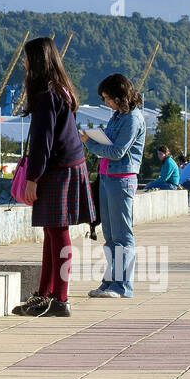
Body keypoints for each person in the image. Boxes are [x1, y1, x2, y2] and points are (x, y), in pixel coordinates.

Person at [10, 37, 95, 318]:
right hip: (69, 166)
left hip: (59, 170)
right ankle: (45, 294)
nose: (24, 64)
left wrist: (32, 177)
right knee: (52, 232)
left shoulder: (47, 95)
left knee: (57, 233)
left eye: (27, 59)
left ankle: (60, 297)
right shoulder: (61, 90)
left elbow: (42, 142)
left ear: (37, 62)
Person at [80, 73, 146, 299]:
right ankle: (110, 282)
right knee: (109, 234)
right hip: (107, 177)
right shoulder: (118, 116)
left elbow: (118, 151)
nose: (107, 103)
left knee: (122, 234)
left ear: (121, 95)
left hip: (122, 178)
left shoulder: (133, 119)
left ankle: (123, 286)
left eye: (109, 98)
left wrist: (90, 144)